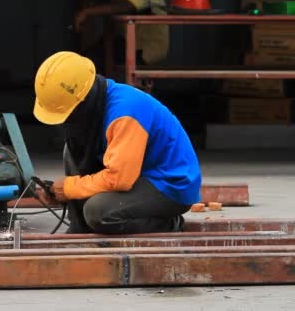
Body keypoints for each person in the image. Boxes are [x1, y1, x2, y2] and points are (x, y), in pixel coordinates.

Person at [34, 51, 200, 234]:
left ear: (83, 98)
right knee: (71, 148)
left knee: (99, 213)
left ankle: (168, 224)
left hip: (169, 184)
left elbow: (119, 179)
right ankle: (80, 227)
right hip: (137, 176)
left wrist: (69, 188)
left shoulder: (126, 112)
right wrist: (61, 191)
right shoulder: (96, 105)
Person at [74, 0, 169, 68]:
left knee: (97, 61)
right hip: (123, 40)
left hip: (146, 47)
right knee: (85, 60)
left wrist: (87, 12)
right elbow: (111, 5)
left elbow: (125, 6)